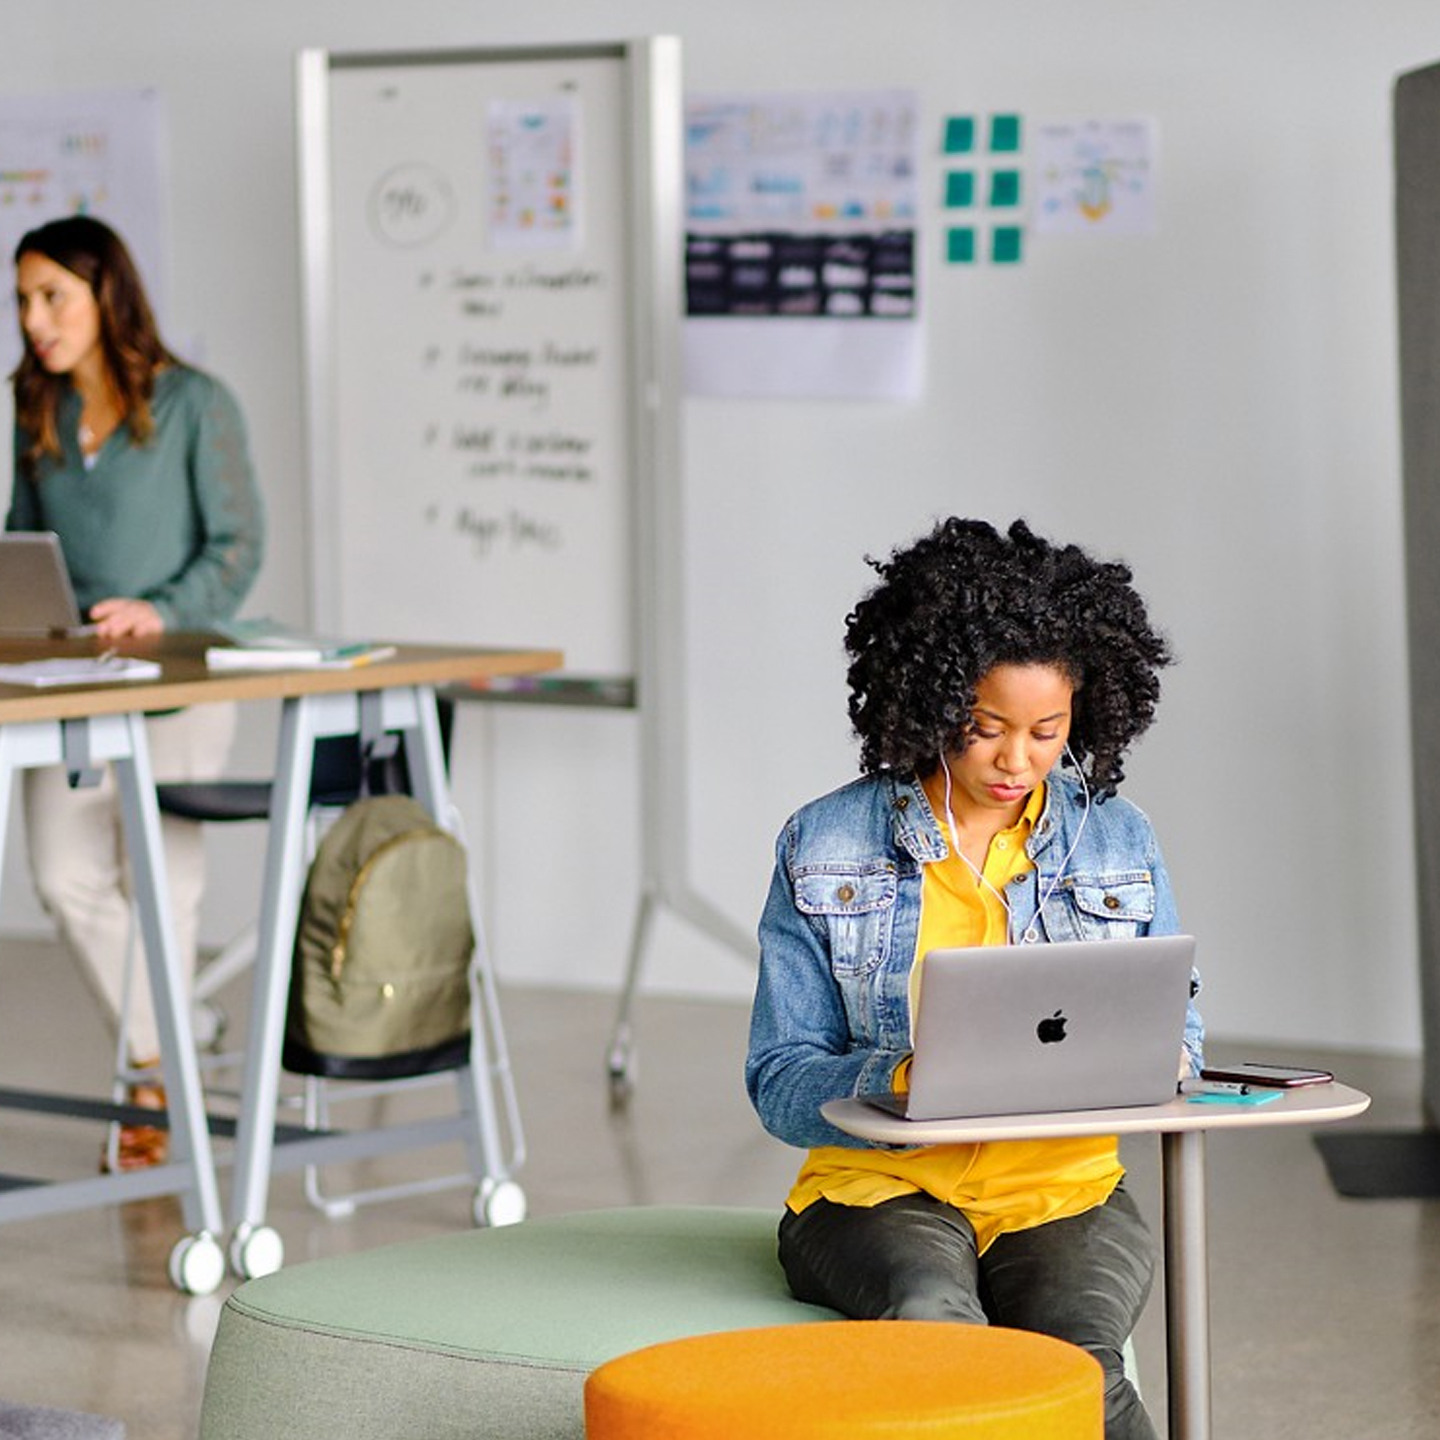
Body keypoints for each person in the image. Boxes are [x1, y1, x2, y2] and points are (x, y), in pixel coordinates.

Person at [745, 517, 1203, 1440]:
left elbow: (1180, 1041)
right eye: (985, 728)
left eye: (1047, 731)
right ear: (926, 699)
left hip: (1065, 1188)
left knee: (1076, 1366)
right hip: (877, 1189)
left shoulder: (1117, 840)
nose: (1016, 761)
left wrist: (1160, 1068)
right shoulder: (826, 843)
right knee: (934, 1326)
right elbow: (780, 1080)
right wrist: (899, 1080)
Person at [7, 216, 264, 1169]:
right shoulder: (35, 410)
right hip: (75, 687)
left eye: (51, 298)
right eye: (23, 300)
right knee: (63, 876)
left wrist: (159, 610)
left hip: (182, 680)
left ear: (104, 297)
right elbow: (22, 547)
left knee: (162, 889)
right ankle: (169, 1050)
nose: (33, 320)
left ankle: (155, 1095)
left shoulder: (197, 404)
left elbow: (238, 545)